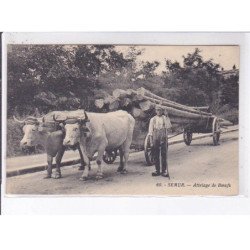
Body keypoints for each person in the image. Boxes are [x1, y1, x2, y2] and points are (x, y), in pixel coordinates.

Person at [148, 105, 172, 178]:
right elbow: (150, 131)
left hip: (163, 137)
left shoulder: (165, 118)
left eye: (160, 110)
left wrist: (167, 117)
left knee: (164, 154)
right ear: (155, 111)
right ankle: (157, 170)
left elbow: (168, 127)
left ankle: (164, 171)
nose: (159, 111)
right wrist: (151, 141)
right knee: (156, 154)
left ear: (162, 111)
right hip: (155, 138)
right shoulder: (153, 119)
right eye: (157, 110)